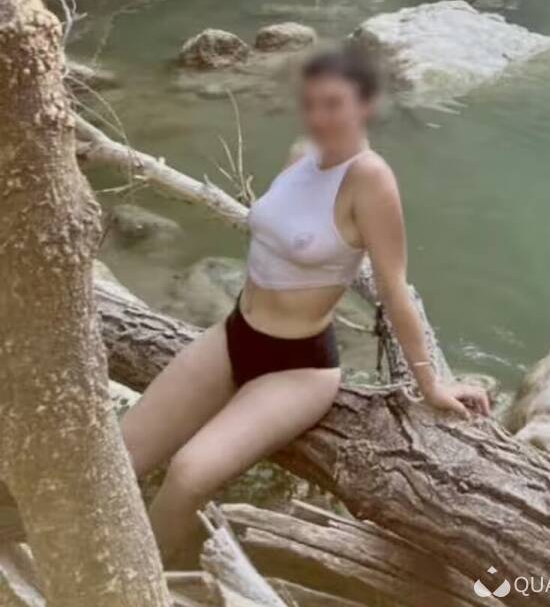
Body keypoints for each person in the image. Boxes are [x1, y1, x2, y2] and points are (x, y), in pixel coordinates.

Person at [121, 43, 490, 563]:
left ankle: (137, 576)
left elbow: (394, 288)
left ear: (365, 105)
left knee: (187, 475)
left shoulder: (371, 181)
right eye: (312, 103)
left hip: (297, 368)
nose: (319, 117)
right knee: (120, 453)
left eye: (333, 104)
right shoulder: (301, 152)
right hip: (234, 335)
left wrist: (430, 384)